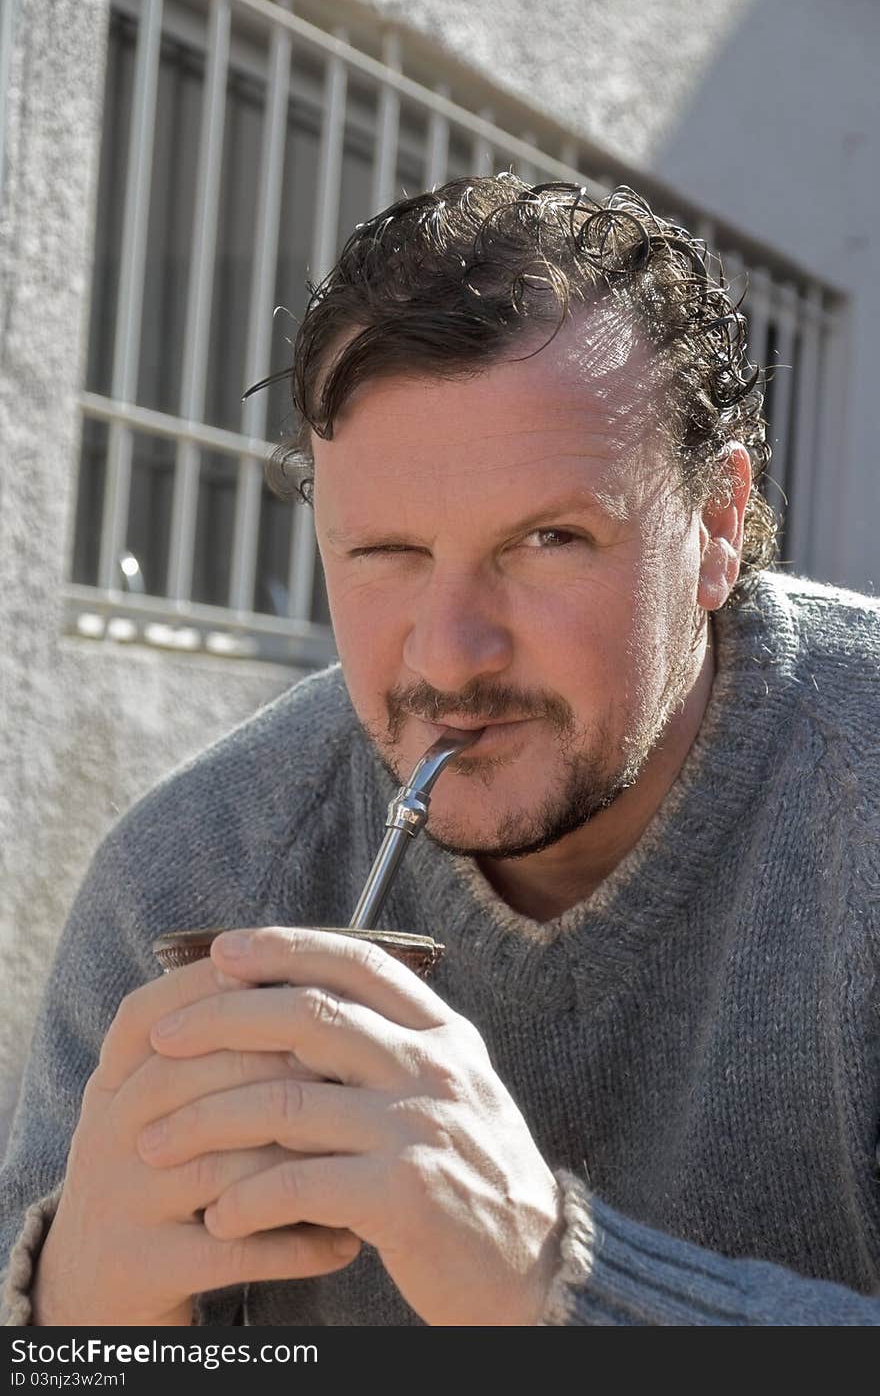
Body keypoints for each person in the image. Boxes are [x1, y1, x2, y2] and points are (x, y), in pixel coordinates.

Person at [2, 175, 878, 1327]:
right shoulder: (194, 876)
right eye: (386, 553)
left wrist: (545, 1277)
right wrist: (77, 1316)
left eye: (547, 539)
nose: (453, 655)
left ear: (717, 524)